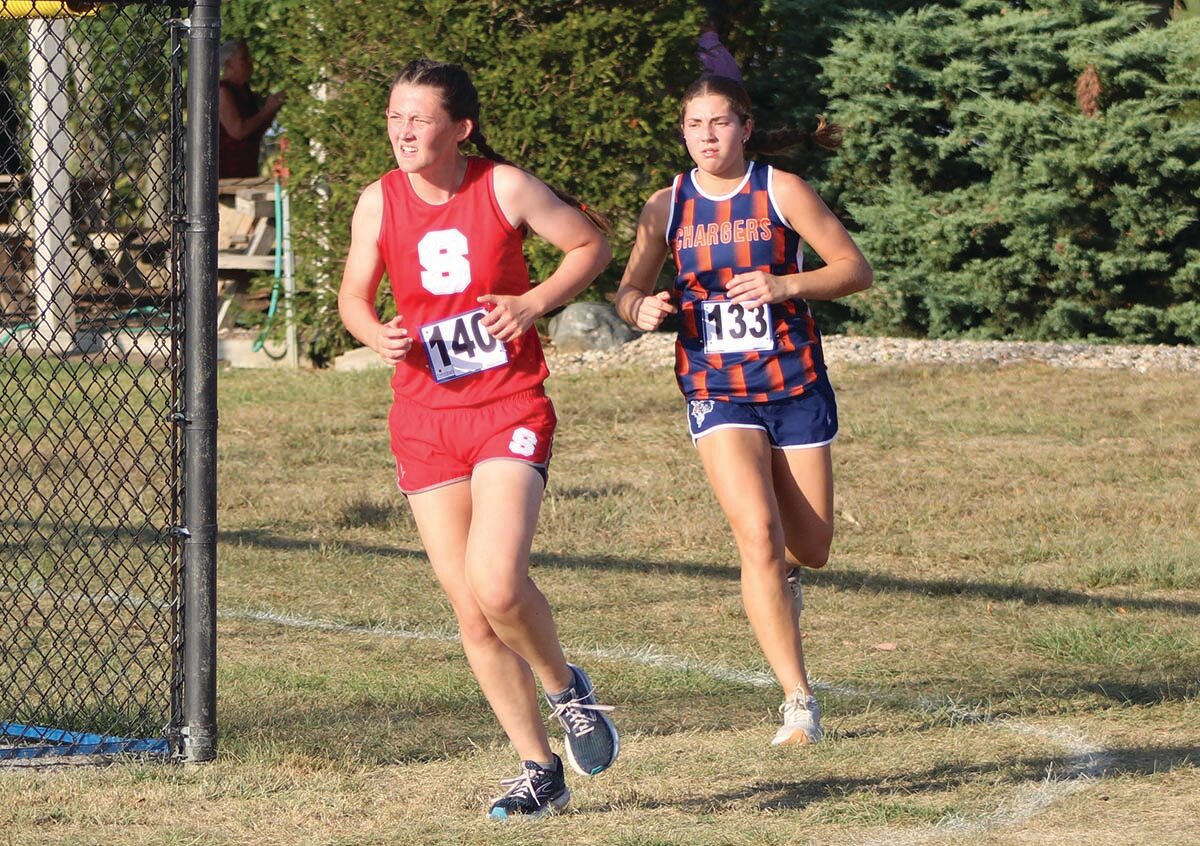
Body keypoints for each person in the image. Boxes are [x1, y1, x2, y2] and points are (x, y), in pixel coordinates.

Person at [337, 58, 618, 820]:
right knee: (470, 610)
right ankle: (538, 770)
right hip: (424, 420)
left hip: (508, 407)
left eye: (419, 118)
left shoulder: (503, 186)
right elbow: (353, 297)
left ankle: (568, 691)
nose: (402, 130)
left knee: (497, 583)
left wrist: (532, 302)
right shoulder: (378, 201)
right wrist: (375, 333)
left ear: (460, 128)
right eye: (395, 116)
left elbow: (587, 247)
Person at [615, 75, 872, 747]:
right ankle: (798, 699)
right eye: (694, 124)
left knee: (809, 548)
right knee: (756, 532)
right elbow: (630, 290)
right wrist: (639, 308)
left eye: (720, 122)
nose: (707, 135)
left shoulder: (781, 190)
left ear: (745, 127)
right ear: (683, 133)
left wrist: (787, 283)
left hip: (794, 381)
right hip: (714, 384)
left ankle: (783, 578)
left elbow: (853, 268)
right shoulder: (665, 206)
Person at [217, 39, 285, 179]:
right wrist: (267, 110)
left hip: (247, 169)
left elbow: (255, 130)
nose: (250, 62)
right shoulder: (223, 90)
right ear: (229, 64)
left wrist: (273, 109)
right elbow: (238, 131)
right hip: (227, 174)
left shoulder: (245, 91)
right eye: (244, 58)